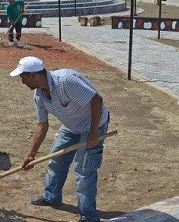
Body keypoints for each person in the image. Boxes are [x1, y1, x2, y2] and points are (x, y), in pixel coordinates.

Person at [10, 56, 110, 222]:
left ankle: (89, 216)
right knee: (56, 159)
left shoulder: (65, 81)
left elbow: (96, 100)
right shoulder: (39, 96)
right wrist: (31, 154)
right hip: (72, 126)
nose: (22, 82)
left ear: (34, 75)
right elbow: (42, 125)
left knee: (84, 170)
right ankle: (51, 197)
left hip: (94, 123)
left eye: (23, 77)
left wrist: (93, 132)